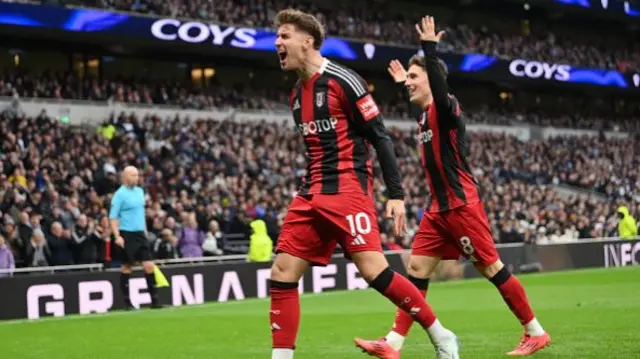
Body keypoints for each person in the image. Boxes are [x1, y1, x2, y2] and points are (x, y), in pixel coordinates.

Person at [355, 16, 550, 357]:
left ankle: (535, 331)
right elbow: (425, 91)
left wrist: (428, 50)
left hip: (461, 206)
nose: (408, 84)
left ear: (432, 79)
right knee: (416, 270)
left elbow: (439, 91)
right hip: (437, 210)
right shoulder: (424, 114)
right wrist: (407, 79)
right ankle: (393, 342)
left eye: (415, 78)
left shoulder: (447, 109)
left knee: (491, 268)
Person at [270, 9, 458, 359]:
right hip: (310, 191)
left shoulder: (344, 81)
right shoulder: (297, 96)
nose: (277, 43)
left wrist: (396, 194)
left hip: (347, 190)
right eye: (277, 37)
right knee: (282, 272)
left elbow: (380, 136)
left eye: (284, 36)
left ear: (307, 41)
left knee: (374, 272)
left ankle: (440, 334)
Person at [109, 166, 162, 310]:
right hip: (127, 233)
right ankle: (127, 303)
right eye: (133, 175)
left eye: (137, 175)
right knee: (127, 266)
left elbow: (141, 213)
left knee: (149, 265)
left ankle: (155, 301)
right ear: (125, 177)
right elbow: (113, 216)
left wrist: (144, 230)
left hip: (140, 233)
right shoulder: (119, 194)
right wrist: (117, 235)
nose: (136, 178)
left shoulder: (139, 191)